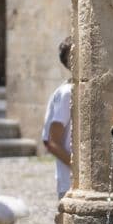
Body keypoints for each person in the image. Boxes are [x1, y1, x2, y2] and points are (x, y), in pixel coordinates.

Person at [42, 36, 73, 200]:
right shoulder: (67, 92)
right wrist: (79, 169)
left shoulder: (72, 89)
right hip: (70, 183)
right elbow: (52, 142)